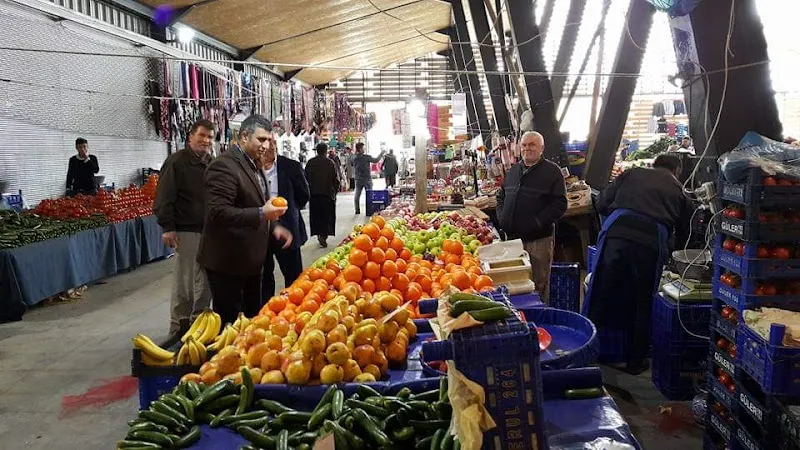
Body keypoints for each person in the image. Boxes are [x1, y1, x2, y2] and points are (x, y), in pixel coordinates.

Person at [584, 153, 694, 374]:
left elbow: (603, 202)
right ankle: (635, 361)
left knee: (601, 292)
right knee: (642, 301)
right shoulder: (681, 192)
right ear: (677, 171)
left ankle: (587, 350)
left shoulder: (631, 174)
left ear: (654, 165)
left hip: (617, 234)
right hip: (651, 242)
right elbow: (686, 234)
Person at [197, 115, 292, 324]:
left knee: (250, 318)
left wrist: (273, 224)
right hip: (228, 261)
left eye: (269, 140)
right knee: (229, 321)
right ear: (244, 137)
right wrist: (261, 214)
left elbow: (255, 202)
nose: (266, 145)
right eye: (261, 139)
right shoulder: (224, 166)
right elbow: (218, 212)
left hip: (251, 260)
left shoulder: (253, 164)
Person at [153, 119, 215, 338]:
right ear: (190, 137)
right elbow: (164, 196)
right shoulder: (176, 162)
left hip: (209, 232)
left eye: (209, 137)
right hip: (186, 231)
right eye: (202, 136)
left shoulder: (210, 162)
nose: (206, 141)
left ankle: (199, 328)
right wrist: (168, 227)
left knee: (205, 282)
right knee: (186, 283)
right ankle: (177, 330)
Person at [496, 131, 567, 303]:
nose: (527, 148)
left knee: (537, 282)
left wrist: (536, 222)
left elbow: (560, 204)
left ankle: (539, 320)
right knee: (514, 282)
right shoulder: (514, 170)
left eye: (532, 145)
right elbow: (501, 195)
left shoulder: (552, 172)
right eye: (525, 145)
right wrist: (502, 217)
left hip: (538, 240)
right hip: (512, 239)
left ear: (542, 148)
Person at [259, 138, 310, 300]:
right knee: (264, 277)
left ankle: (295, 309)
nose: (272, 146)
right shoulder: (251, 168)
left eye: (274, 142)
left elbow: (304, 194)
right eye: (268, 143)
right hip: (261, 228)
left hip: (288, 226)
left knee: (294, 276)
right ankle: (266, 313)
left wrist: (289, 211)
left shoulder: (291, 166)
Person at [306, 143, 340, 247]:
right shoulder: (330, 163)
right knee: (326, 216)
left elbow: (305, 179)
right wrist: (335, 192)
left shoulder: (310, 162)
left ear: (317, 151)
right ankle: (323, 235)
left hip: (314, 195)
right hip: (327, 194)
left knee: (316, 216)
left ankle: (318, 234)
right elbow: (336, 180)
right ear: (326, 151)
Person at [351, 142, 385, 215]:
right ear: (360, 149)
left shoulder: (353, 157)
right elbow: (376, 160)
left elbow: (351, 164)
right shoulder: (366, 157)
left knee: (357, 195)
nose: (364, 149)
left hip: (358, 179)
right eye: (363, 148)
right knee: (369, 194)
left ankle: (357, 210)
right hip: (367, 179)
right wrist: (381, 154)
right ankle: (369, 210)